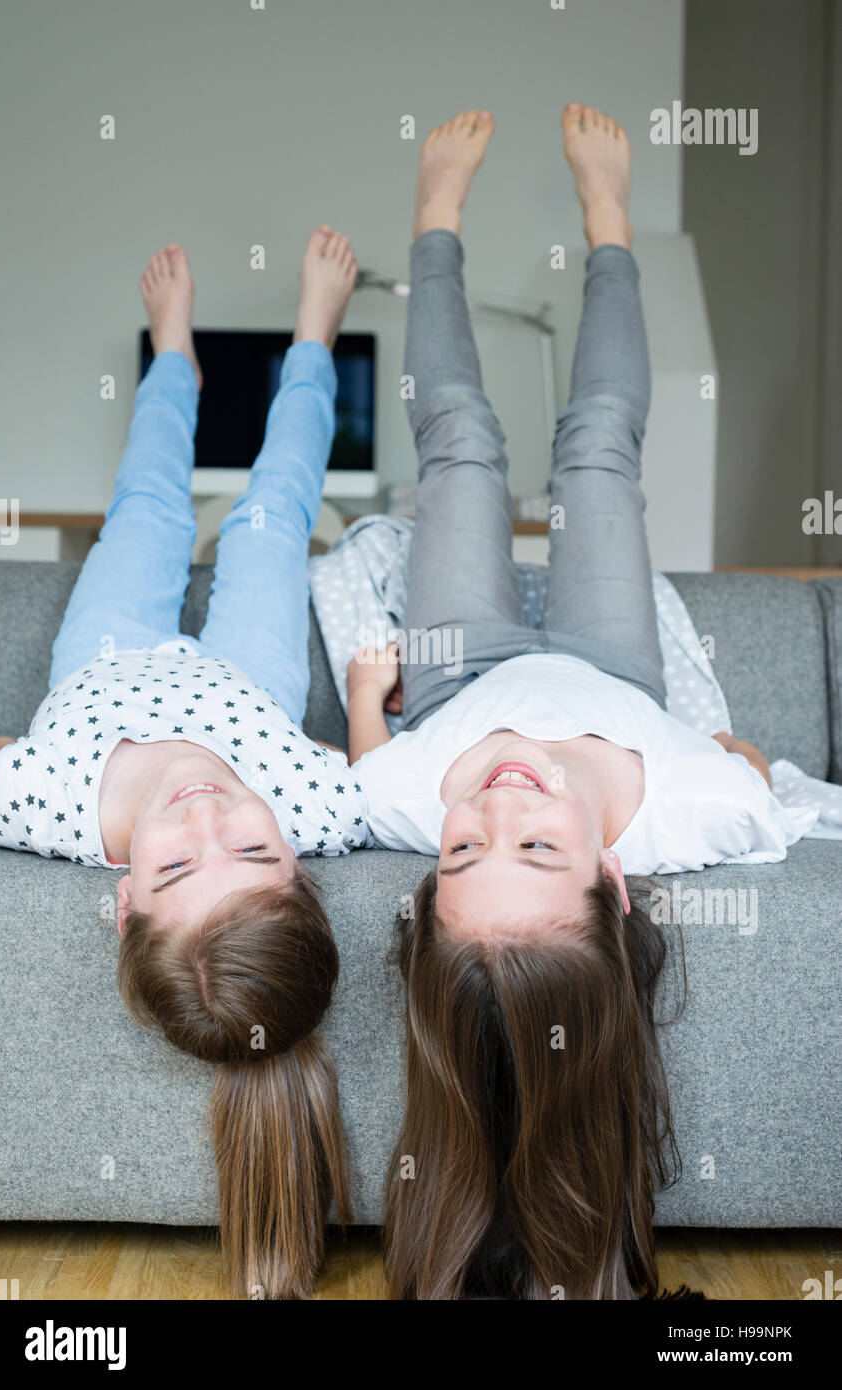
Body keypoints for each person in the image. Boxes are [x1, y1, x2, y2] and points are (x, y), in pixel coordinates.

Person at [347, 105, 804, 1298]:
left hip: (460, 666)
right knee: (598, 444)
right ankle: (611, 227)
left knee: (461, 448)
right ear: (613, 880)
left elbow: (370, 767)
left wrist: (366, 696)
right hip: (613, 668)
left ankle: (434, 224)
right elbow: (752, 771)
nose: (497, 806)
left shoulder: (407, 798)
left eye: (462, 848)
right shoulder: (697, 815)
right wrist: (725, 748)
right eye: (537, 844)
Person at [0, 227, 368, 1297]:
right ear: (298, 853)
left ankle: (173, 356)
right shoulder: (317, 802)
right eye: (249, 846)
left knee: (147, 508)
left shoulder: (46, 810)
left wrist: (6, 751)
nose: (205, 818)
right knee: (271, 517)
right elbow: (376, 779)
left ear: (121, 901)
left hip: (103, 662)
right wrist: (364, 712)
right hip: (246, 684)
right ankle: (314, 340)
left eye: (176, 870)